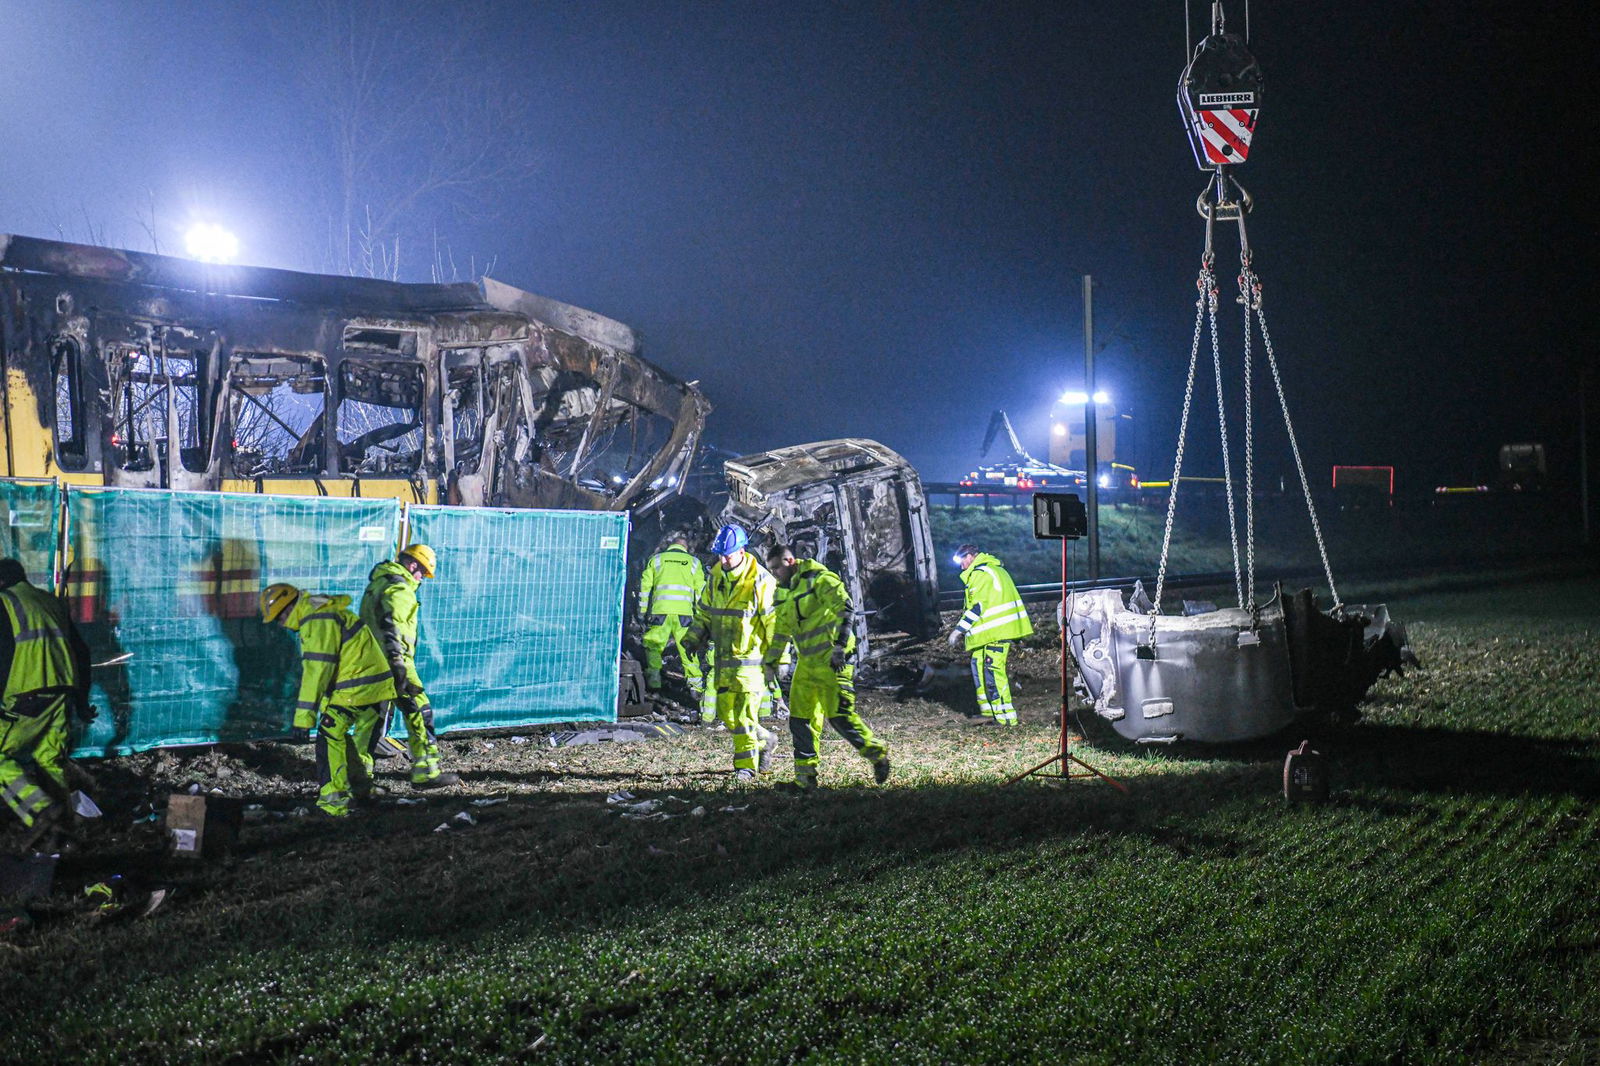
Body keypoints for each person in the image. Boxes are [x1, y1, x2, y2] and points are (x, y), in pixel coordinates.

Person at [261, 583, 397, 817]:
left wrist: (304, 719)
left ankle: (334, 803)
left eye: (279, 618)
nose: (280, 624)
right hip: (373, 684)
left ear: (287, 609)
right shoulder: (321, 612)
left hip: (356, 687)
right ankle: (361, 789)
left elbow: (317, 671)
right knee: (339, 735)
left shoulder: (316, 621)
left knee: (329, 737)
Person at [766, 544, 889, 789]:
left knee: (840, 717)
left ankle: (877, 754)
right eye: (771, 569)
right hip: (807, 664)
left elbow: (845, 608)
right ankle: (804, 781)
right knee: (800, 721)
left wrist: (840, 646)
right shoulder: (781, 593)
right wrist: (772, 659)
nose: (774, 573)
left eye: (777, 567)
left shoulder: (819, 579)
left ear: (790, 561)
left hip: (833, 661)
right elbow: (781, 630)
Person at [0, 558, 90, 850]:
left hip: (25, 697)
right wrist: (82, 700)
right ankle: (63, 835)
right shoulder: (50, 602)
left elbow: (3, 657)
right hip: (62, 694)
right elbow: (81, 651)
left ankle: (39, 810)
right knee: (48, 759)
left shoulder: (5, 604)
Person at [685, 524, 780, 781]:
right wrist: (693, 637)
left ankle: (746, 768)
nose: (724, 559)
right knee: (728, 715)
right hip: (724, 661)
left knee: (744, 715)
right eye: (720, 554)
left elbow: (774, 622)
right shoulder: (715, 578)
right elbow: (705, 611)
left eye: (728, 554)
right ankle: (766, 741)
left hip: (751, 663)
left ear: (742, 550)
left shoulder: (760, 581)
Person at [361, 543, 460, 790]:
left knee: (370, 723)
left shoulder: (377, 584)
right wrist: (397, 664)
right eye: (423, 572)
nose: (422, 579)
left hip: (370, 663)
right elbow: (393, 628)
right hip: (396, 664)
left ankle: (358, 779)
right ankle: (426, 772)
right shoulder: (400, 589)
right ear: (412, 564)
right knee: (419, 713)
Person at [949, 544, 1033, 726]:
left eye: (961, 560)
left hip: (996, 631)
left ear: (970, 556)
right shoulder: (992, 570)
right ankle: (989, 712)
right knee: (978, 665)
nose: (961, 565)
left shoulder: (981, 574)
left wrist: (959, 630)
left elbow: (977, 607)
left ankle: (1005, 719)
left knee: (993, 672)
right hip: (991, 632)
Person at [637, 531, 713, 722]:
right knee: (688, 650)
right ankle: (695, 686)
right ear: (685, 548)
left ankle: (654, 680)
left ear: (670, 546)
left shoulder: (656, 560)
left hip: (660, 612)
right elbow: (700, 591)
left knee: (653, 644)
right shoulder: (694, 563)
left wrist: (642, 611)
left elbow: (645, 588)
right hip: (684, 615)